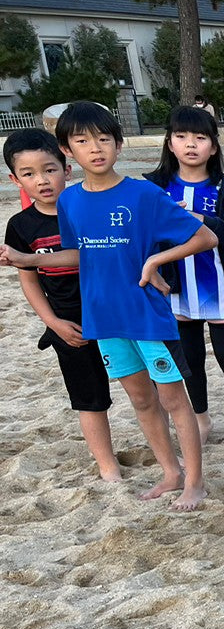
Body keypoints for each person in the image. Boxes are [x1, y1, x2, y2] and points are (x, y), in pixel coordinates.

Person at [53, 102, 217, 509]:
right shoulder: (69, 201)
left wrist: (156, 259)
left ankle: (194, 481)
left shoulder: (143, 194)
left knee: (174, 400)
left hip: (147, 316)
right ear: (67, 151)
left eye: (104, 139)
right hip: (103, 318)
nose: (96, 148)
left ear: (119, 145)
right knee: (141, 400)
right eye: (83, 141)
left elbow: (205, 238)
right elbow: (79, 255)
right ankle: (170, 472)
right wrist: (28, 260)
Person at [0, 129, 118, 481]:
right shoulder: (20, 226)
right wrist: (53, 323)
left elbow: (107, 255)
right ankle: (108, 465)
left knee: (146, 388)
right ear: (14, 179)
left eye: (49, 169)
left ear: (67, 169)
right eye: (29, 174)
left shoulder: (89, 206)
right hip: (70, 323)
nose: (42, 180)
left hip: (115, 311)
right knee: (89, 398)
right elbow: (29, 279)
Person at [144, 105, 224, 447]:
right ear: (169, 143)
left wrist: (204, 219)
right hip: (175, 289)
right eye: (181, 136)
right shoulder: (152, 189)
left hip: (220, 288)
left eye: (200, 137)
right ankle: (201, 421)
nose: (190, 144)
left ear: (214, 146)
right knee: (189, 360)